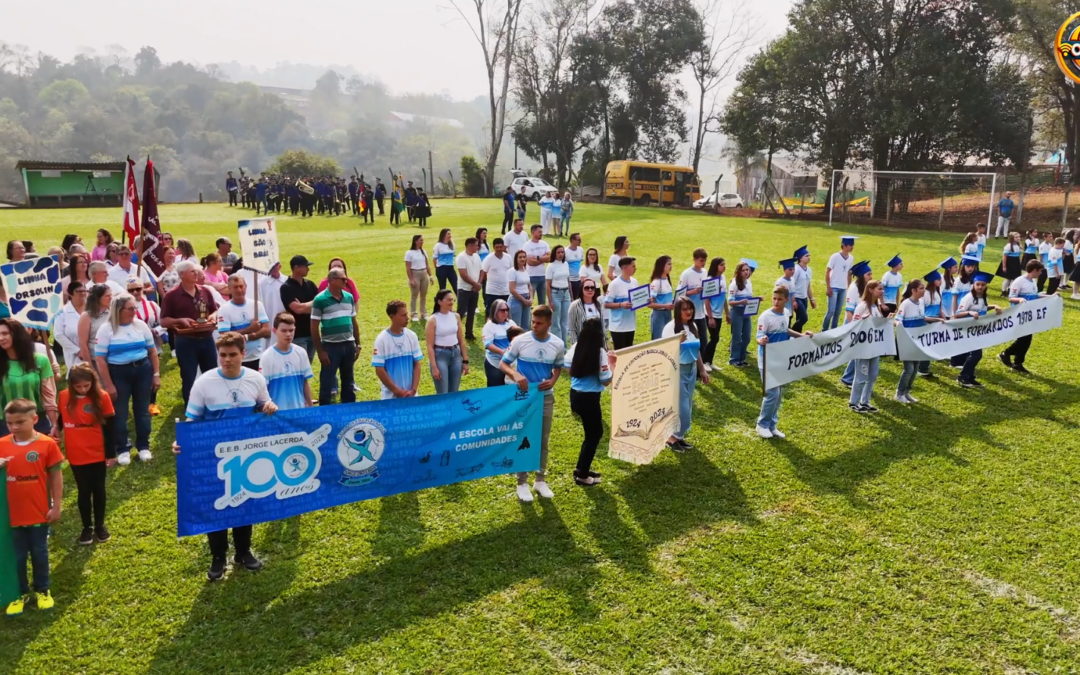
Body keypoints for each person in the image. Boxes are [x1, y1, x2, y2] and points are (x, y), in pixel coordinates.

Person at [174, 332, 277, 580]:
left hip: (247, 455)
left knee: (244, 501)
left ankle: (243, 552)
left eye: (232, 355)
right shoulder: (204, 383)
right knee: (217, 506)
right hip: (214, 457)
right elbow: (193, 420)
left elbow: (264, 404)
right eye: (222, 355)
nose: (227, 360)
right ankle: (218, 558)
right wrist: (182, 441)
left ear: (243, 354)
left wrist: (269, 406)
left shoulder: (256, 378)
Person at [0, 398, 64, 616]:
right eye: (10, 423)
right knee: (15, 555)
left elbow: (56, 477)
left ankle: (43, 590)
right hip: (11, 515)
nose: (14, 427)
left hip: (38, 512)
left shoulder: (47, 444)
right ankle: (19, 593)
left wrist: (56, 506)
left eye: (20, 422)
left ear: (35, 419)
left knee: (39, 552)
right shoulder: (2, 445)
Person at [501, 305, 564, 502]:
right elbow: (503, 363)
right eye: (533, 322)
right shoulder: (521, 340)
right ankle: (521, 483)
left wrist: (553, 380)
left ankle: (540, 479)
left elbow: (558, 367)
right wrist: (515, 373)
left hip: (545, 397)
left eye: (539, 323)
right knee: (523, 437)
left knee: (542, 439)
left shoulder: (558, 344)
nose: (534, 326)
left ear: (549, 324)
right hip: (523, 398)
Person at [94, 293, 159, 465]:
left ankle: (143, 445)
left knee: (143, 410)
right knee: (120, 413)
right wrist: (108, 384)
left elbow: (152, 351)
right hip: (118, 372)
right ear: (119, 310)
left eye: (134, 308)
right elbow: (100, 359)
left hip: (142, 370)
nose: (134, 311)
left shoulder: (141, 326)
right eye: (130, 308)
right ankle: (123, 448)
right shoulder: (106, 329)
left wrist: (156, 374)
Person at [58, 364, 115, 545]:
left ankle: (100, 526)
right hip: (76, 452)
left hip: (97, 451)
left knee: (98, 489)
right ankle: (86, 527)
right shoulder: (63, 396)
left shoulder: (102, 397)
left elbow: (110, 427)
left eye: (86, 385)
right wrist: (55, 428)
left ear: (92, 382)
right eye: (78, 386)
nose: (83, 389)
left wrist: (110, 453)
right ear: (71, 385)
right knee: (83, 490)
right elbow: (61, 417)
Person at [756, 286, 812, 439]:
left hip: (780, 359)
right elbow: (759, 336)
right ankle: (762, 425)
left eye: (779, 299)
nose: (776, 301)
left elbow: (785, 329)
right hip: (766, 359)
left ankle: (772, 425)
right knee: (772, 393)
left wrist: (801, 335)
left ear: (786, 300)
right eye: (774, 298)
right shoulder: (765, 317)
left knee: (778, 394)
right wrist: (761, 340)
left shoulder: (786, 313)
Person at [161, 260, 220, 403]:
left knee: (211, 374)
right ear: (182, 274)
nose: (196, 273)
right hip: (186, 341)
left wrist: (212, 317)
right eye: (192, 271)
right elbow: (163, 321)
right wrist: (180, 320)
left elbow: (215, 310)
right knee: (189, 376)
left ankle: (213, 404)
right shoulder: (171, 295)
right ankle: (191, 408)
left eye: (196, 271)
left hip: (206, 339)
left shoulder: (205, 291)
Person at [565, 317, 611, 486]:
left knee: (590, 434)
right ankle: (582, 475)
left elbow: (566, 364)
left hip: (575, 396)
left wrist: (580, 371)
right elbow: (606, 380)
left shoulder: (577, 347)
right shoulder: (600, 353)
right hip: (590, 398)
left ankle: (581, 469)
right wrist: (613, 364)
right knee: (595, 434)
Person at [663, 297, 709, 450]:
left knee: (687, 405)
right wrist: (678, 341)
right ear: (677, 311)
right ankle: (670, 437)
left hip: (691, 370)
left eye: (690, 308)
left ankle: (678, 436)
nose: (688, 311)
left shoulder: (693, 326)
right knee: (681, 407)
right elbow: (665, 353)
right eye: (684, 309)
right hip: (677, 371)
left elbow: (695, 351)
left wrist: (702, 370)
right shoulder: (670, 328)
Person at [0, 319, 57, 438]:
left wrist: (54, 424)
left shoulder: (41, 360)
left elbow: (49, 395)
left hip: (37, 422)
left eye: (5, 334)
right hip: (5, 425)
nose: (1, 338)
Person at [311, 268, 359, 404]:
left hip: (348, 344)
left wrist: (358, 344)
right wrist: (321, 351)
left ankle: (349, 410)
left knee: (348, 381)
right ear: (332, 280)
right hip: (330, 347)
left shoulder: (349, 298)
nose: (346, 281)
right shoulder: (320, 300)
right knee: (327, 382)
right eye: (343, 279)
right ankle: (325, 412)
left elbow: (354, 322)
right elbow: (314, 327)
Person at [895, 279, 944, 403]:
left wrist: (937, 320)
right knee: (909, 369)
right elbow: (897, 319)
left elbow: (922, 318)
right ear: (914, 290)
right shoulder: (906, 303)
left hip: (919, 340)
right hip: (907, 341)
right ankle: (899, 393)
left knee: (915, 368)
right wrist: (899, 325)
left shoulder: (921, 302)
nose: (924, 291)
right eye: (921, 288)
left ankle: (907, 392)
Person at [955, 271, 1003, 388]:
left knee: (976, 355)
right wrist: (969, 312)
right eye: (978, 284)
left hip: (979, 330)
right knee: (976, 354)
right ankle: (963, 376)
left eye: (983, 284)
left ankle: (970, 377)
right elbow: (957, 314)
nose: (980, 287)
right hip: (968, 330)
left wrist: (994, 306)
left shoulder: (983, 297)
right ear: (973, 284)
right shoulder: (968, 298)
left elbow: (983, 308)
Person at [257, 313, 313, 410]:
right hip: (277, 414)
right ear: (274, 331)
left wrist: (310, 406)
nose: (288, 334)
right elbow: (263, 389)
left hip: (298, 410)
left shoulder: (301, 353)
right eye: (283, 331)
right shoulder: (267, 357)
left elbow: (304, 382)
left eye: (291, 330)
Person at [1000, 260, 1046, 374]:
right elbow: (1011, 297)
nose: (1040, 273)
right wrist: (1020, 299)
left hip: (1029, 314)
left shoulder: (1033, 281)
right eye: (1040, 271)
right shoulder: (1019, 281)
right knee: (1024, 339)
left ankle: (1014, 360)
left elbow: (1034, 296)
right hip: (1020, 314)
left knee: (1025, 339)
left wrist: (1050, 296)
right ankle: (1010, 357)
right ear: (1034, 270)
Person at [849, 281, 888, 413]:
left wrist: (886, 320)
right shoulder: (862, 306)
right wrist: (862, 320)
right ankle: (853, 402)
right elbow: (853, 326)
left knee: (873, 375)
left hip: (874, 347)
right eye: (879, 289)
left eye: (882, 289)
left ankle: (865, 402)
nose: (882, 291)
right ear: (871, 290)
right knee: (861, 376)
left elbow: (877, 326)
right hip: (863, 348)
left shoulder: (876, 307)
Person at [216, 274, 270, 371]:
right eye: (235, 287)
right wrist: (249, 329)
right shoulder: (224, 309)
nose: (239, 290)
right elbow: (225, 337)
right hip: (237, 359)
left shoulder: (257, 305)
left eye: (241, 286)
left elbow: (266, 331)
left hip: (257, 356)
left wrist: (247, 336)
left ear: (246, 286)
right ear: (229, 288)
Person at [372, 301, 423, 399]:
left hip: (411, 395)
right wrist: (397, 391)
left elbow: (417, 364)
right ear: (392, 317)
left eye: (407, 314)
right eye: (403, 315)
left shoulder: (412, 336)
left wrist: (414, 390)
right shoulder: (381, 340)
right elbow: (379, 370)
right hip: (390, 397)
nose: (407, 318)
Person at [129, 278, 166, 413]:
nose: (135, 292)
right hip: (133, 347)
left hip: (152, 346)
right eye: (131, 290)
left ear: (143, 289)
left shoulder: (152, 305)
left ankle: (152, 403)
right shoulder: (122, 308)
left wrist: (155, 331)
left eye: (138, 289)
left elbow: (164, 322)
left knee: (153, 374)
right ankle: (136, 403)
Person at [426, 290, 468, 393]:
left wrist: (465, 360)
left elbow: (461, 340)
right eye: (448, 300)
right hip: (440, 355)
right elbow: (429, 346)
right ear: (440, 302)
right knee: (443, 392)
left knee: (454, 392)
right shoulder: (433, 320)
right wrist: (434, 367)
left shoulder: (456, 316)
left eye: (452, 300)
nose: (451, 302)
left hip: (456, 354)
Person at [280, 255, 319, 364]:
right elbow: (298, 309)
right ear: (296, 267)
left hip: (312, 332)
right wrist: (312, 304)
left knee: (307, 366)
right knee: (299, 365)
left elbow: (321, 304)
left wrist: (304, 306)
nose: (308, 269)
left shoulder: (310, 284)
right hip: (297, 335)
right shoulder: (286, 287)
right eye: (305, 266)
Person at [823, 236, 856, 330]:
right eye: (850, 245)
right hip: (834, 287)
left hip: (843, 288)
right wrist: (828, 287)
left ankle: (834, 329)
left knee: (838, 311)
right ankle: (824, 329)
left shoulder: (851, 258)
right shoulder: (835, 257)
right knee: (831, 311)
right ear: (844, 246)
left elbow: (849, 273)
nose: (852, 247)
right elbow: (828, 271)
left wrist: (848, 287)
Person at [701, 257, 728, 370]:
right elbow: (706, 301)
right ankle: (703, 361)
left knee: (714, 338)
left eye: (724, 264)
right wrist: (710, 317)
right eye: (722, 264)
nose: (724, 266)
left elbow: (724, 297)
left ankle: (709, 361)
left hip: (719, 314)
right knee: (715, 338)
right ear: (716, 266)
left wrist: (727, 313)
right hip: (710, 314)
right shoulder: (710, 280)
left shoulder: (723, 278)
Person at [482, 299, 517, 386]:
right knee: (495, 389)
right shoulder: (489, 326)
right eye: (502, 310)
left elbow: (518, 338)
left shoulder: (511, 323)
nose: (505, 312)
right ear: (495, 311)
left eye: (507, 310)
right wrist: (502, 352)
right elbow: (488, 344)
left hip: (510, 363)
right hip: (495, 363)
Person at [606, 256, 639, 350]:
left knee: (628, 353)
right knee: (620, 354)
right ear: (625, 268)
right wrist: (621, 305)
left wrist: (644, 301)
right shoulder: (614, 284)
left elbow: (636, 301)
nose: (635, 268)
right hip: (618, 327)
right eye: (633, 266)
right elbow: (607, 304)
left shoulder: (634, 282)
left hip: (630, 325)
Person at [54, 281, 87, 372]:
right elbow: (58, 334)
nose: (83, 293)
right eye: (79, 291)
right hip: (75, 356)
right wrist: (77, 350)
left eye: (85, 291)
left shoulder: (92, 309)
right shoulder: (62, 312)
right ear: (70, 293)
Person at [678, 248, 710, 341]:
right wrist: (692, 292)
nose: (703, 263)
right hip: (690, 315)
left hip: (702, 314)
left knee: (703, 342)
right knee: (692, 341)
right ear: (694, 259)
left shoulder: (705, 272)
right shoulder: (686, 274)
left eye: (705, 260)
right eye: (701, 260)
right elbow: (679, 294)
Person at [727, 261, 754, 367]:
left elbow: (750, 298)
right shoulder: (734, 284)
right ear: (738, 272)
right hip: (737, 312)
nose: (746, 272)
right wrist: (740, 302)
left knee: (747, 337)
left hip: (747, 313)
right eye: (743, 270)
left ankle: (742, 358)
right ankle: (734, 359)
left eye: (747, 270)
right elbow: (730, 301)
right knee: (737, 337)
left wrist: (757, 300)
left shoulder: (749, 283)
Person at [456, 237, 483, 340]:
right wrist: (475, 284)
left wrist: (479, 283)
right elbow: (463, 274)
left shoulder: (476, 256)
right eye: (476, 245)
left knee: (472, 312)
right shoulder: (461, 257)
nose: (478, 247)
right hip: (464, 289)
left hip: (475, 289)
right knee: (461, 313)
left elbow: (481, 271)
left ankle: (469, 333)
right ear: (470, 245)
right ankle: (455, 334)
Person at [546, 245, 572, 343]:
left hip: (566, 293)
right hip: (555, 293)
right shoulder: (551, 266)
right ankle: (557, 344)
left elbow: (568, 280)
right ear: (554, 254)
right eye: (558, 252)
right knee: (555, 321)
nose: (561, 254)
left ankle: (564, 345)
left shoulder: (565, 264)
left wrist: (571, 295)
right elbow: (548, 285)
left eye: (562, 252)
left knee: (564, 321)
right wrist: (550, 300)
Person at [404, 235, 433, 323]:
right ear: (416, 241)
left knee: (423, 295)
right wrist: (411, 279)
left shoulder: (423, 251)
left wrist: (430, 276)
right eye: (421, 240)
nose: (422, 242)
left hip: (424, 273)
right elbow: (408, 268)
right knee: (414, 295)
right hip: (415, 273)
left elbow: (427, 264)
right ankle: (414, 314)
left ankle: (423, 313)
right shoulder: (409, 253)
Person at [481, 237, 512, 312]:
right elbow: (483, 272)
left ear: (503, 246)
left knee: (505, 312)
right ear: (493, 247)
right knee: (490, 312)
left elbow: (511, 271)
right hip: (492, 291)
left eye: (501, 247)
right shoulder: (489, 258)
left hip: (506, 291)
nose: (499, 249)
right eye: (497, 247)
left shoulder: (508, 257)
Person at [648, 256, 675, 341]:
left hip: (668, 313)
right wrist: (665, 305)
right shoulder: (655, 283)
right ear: (662, 266)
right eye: (669, 264)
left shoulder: (667, 280)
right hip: (659, 315)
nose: (671, 266)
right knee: (658, 340)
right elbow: (649, 304)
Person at [525, 225, 551, 305]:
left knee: (542, 302)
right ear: (533, 232)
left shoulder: (544, 243)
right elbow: (530, 262)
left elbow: (549, 258)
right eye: (539, 232)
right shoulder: (527, 245)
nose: (541, 233)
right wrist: (543, 259)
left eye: (541, 232)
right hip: (531, 276)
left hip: (543, 276)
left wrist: (537, 257)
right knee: (529, 301)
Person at [508, 250, 534, 328]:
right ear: (516, 259)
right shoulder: (512, 271)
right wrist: (523, 300)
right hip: (516, 299)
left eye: (524, 257)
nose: (522, 259)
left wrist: (531, 298)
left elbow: (529, 286)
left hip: (526, 297)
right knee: (516, 326)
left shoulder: (525, 270)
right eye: (520, 257)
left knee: (526, 326)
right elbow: (512, 289)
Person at [565, 232, 585, 299]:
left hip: (578, 279)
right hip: (569, 280)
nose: (580, 241)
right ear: (573, 240)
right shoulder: (566, 251)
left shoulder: (581, 250)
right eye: (578, 240)